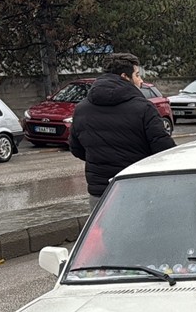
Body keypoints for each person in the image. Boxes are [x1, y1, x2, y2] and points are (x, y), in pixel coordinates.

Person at [69, 52, 176, 212]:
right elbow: (164, 151)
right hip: (138, 190)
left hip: (100, 193)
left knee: (103, 229)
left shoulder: (81, 109)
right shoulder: (144, 108)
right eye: (137, 75)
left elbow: (76, 148)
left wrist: (101, 157)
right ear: (125, 77)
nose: (141, 81)